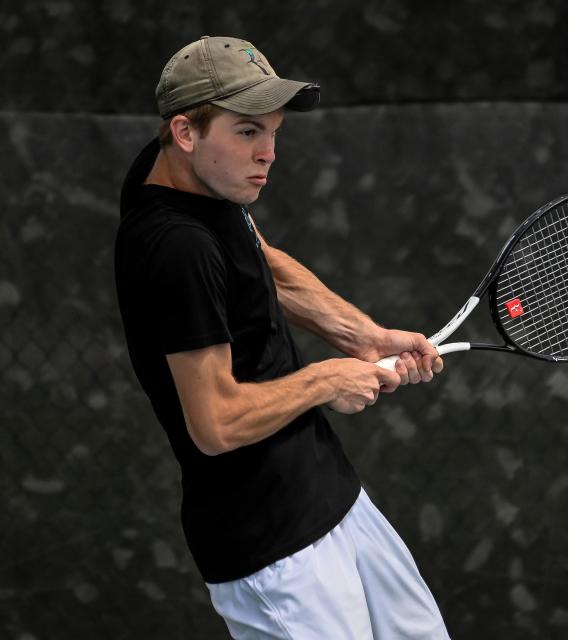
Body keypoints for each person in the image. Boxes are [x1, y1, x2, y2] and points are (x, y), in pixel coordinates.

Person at [114, 36, 450, 639]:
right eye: (247, 133)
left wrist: (365, 337)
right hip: (272, 550)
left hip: (333, 498)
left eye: (273, 131)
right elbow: (214, 424)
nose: (268, 154)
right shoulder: (174, 249)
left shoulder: (191, 175)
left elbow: (258, 263)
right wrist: (327, 378)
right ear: (186, 131)